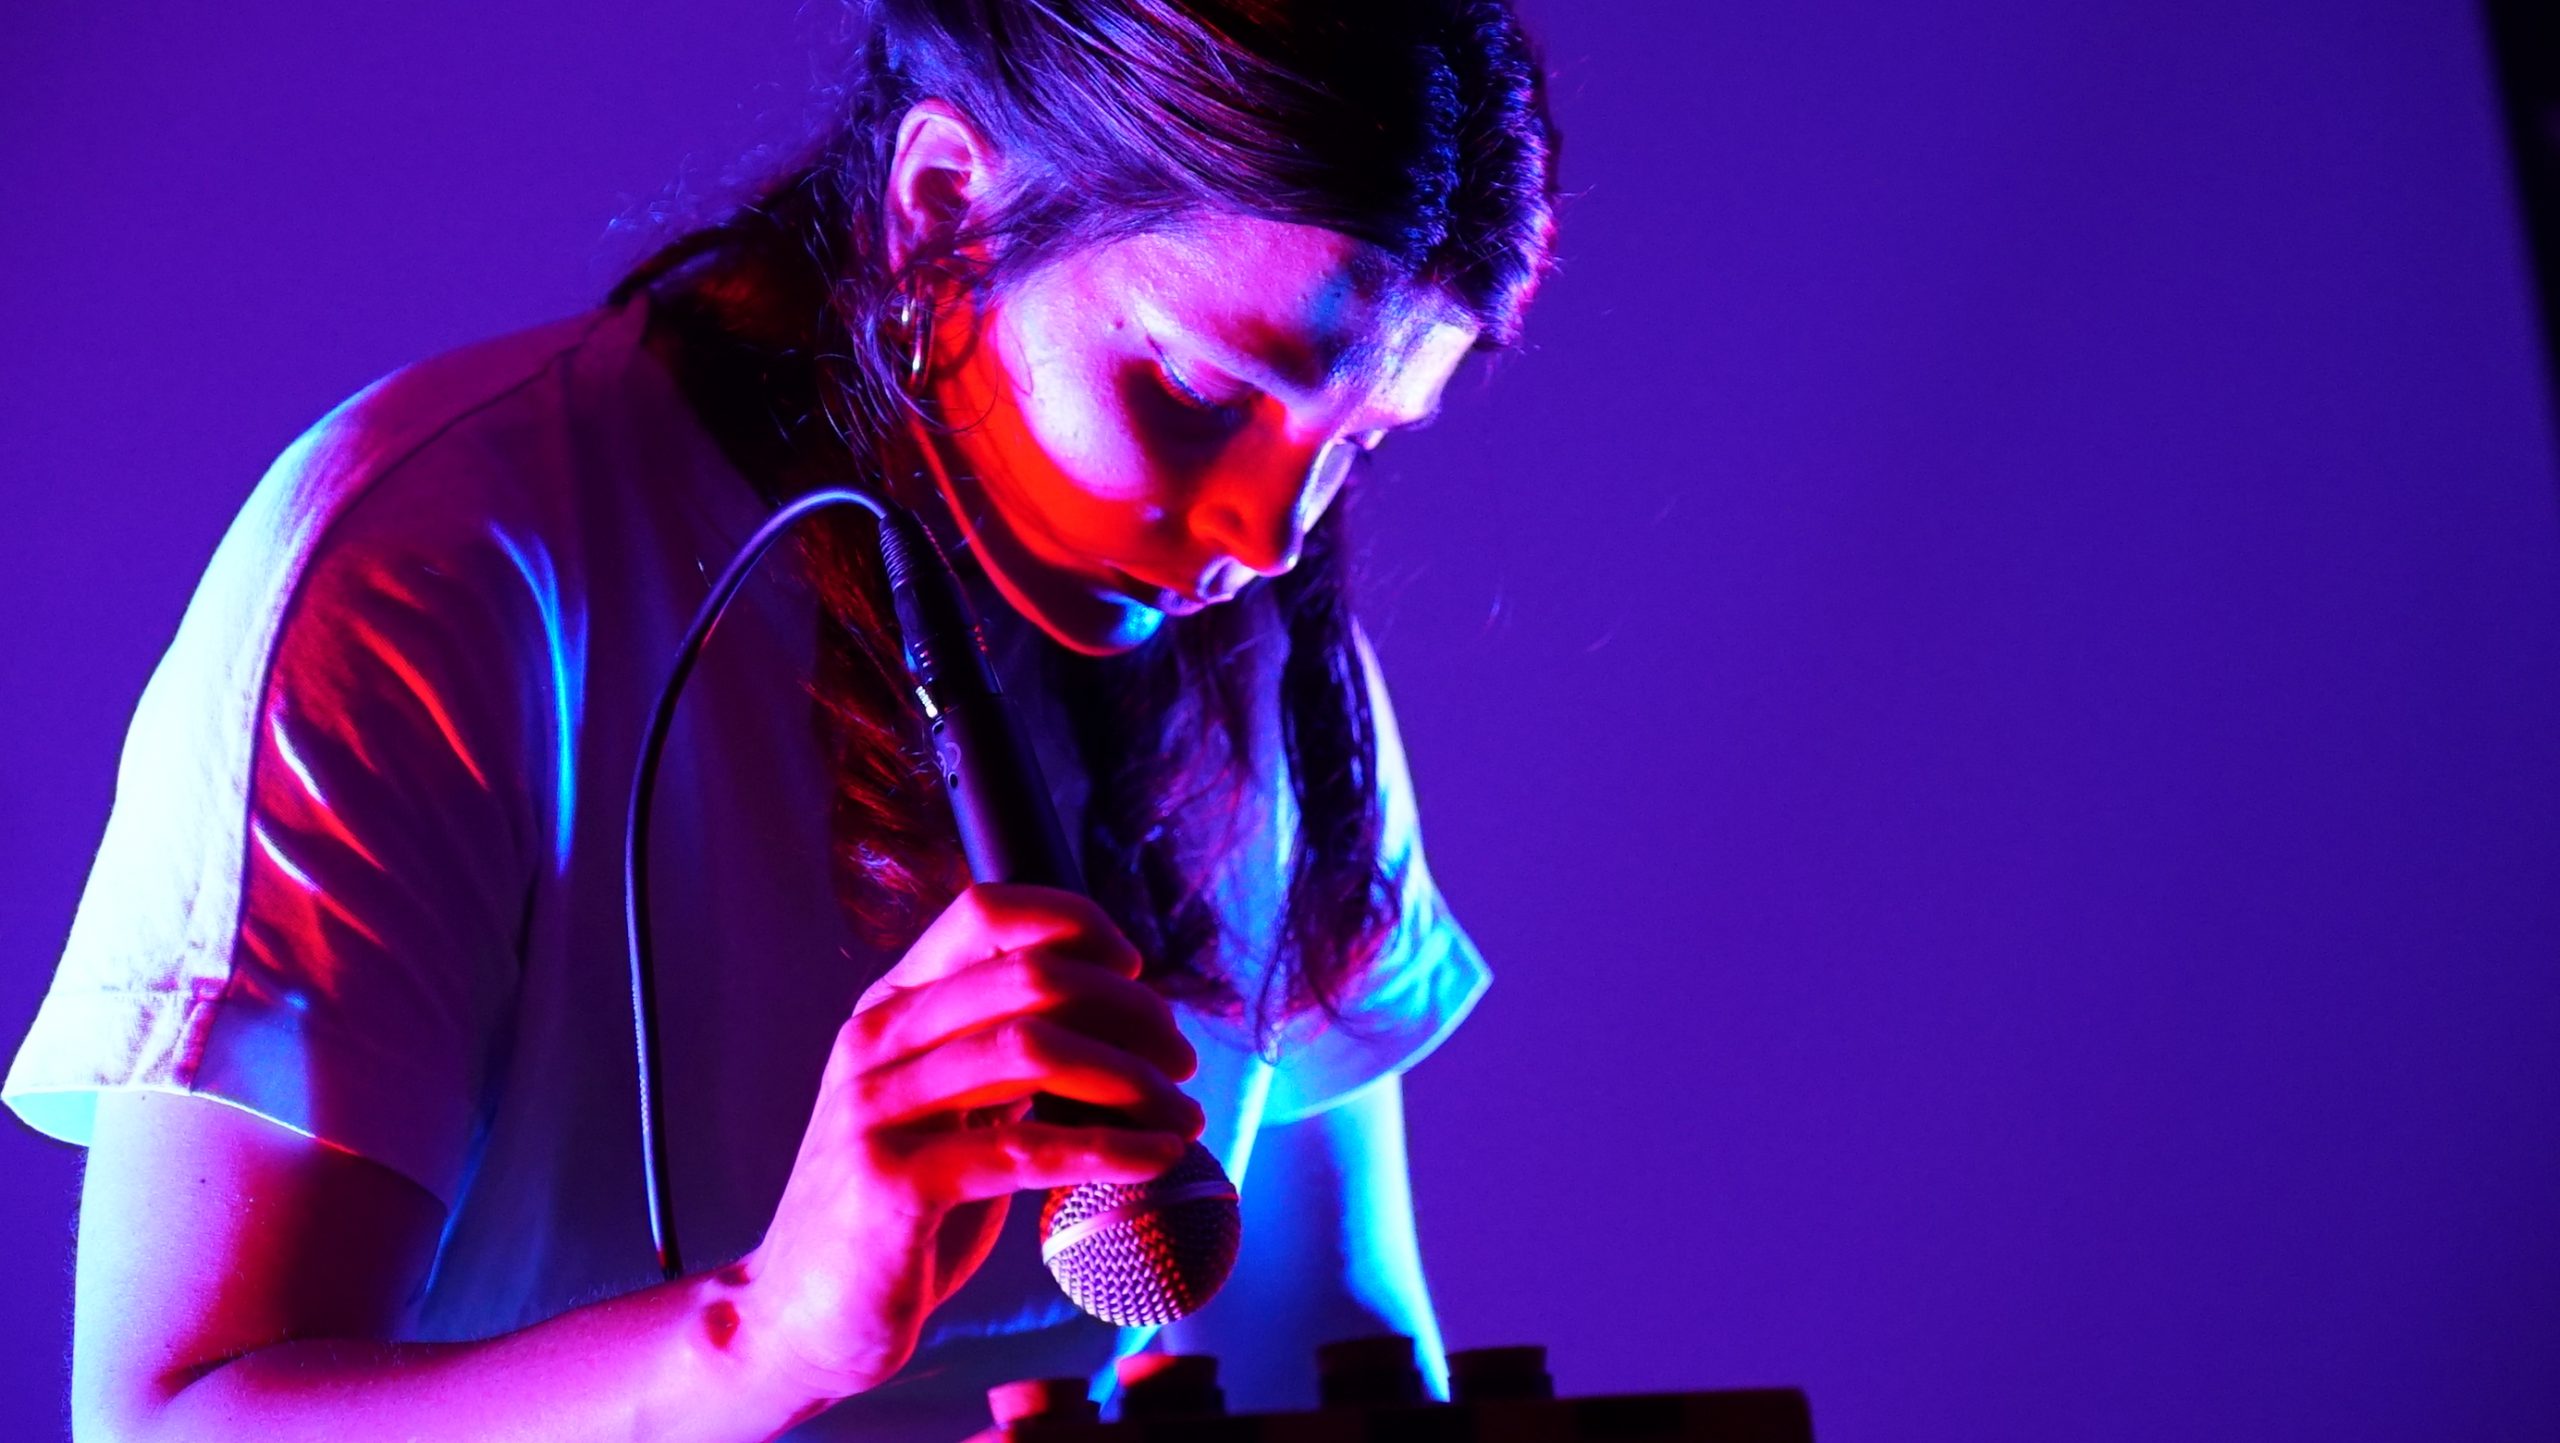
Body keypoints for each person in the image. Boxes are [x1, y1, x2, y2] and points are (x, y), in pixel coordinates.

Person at [6, 0, 1558, 1437]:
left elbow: (1320, 1353)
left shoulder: (1252, 657)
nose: (1266, 536)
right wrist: (762, 1337)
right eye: (1199, 396)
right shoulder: (432, 568)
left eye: (1354, 441)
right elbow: (169, 1425)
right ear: (944, 206)